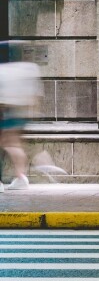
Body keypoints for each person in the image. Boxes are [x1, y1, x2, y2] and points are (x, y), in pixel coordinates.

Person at [0, 56, 42, 192]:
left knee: (8, 143)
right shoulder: (25, 69)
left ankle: (20, 177)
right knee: (13, 144)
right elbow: (35, 95)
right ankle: (20, 176)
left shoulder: (4, 70)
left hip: (8, 110)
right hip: (20, 111)